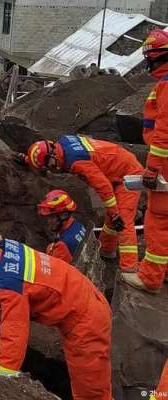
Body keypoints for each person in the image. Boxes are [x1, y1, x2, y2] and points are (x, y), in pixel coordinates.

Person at [0, 229, 112, 400]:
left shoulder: (8, 286)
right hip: (83, 297)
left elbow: (14, 333)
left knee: (91, 393)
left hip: (86, 320)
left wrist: (3, 378)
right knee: (92, 385)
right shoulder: (5, 247)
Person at [20, 135, 142, 273]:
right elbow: (46, 159)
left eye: (50, 166)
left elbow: (104, 187)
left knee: (122, 220)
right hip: (118, 164)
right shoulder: (62, 145)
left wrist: (114, 213)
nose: (52, 170)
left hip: (128, 174)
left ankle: (130, 268)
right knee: (112, 216)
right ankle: (106, 251)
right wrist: (27, 160)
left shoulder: (77, 162)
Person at [122, 29, 168, 293]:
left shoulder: (166, 86)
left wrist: (152, 168)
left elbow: (163, 134)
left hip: (165, 166)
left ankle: (151, 278)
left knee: (158, 221)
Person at [37, 190, 88, 264]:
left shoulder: (61, 246)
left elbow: (56, 273)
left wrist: (51, 251)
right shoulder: (78, 226)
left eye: (51, 217)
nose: (48, 221)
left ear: (64, 215)